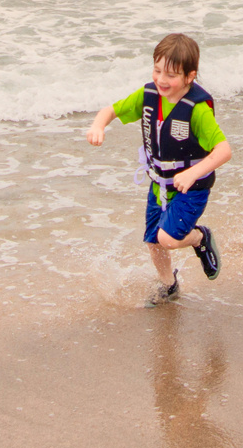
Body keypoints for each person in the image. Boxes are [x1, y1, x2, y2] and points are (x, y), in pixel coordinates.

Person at [87, 32, 230, 303]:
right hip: (159, 185)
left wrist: (191, 173)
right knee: (153, 241)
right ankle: (169, 285)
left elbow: (224, 151)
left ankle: (200, 238)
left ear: (190, 76)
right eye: (157, 70)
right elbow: (111, 110)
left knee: (167, 238)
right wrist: (98, 125)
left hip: (192, 187)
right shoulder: (149, 95)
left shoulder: (197, 110)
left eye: (171, 75)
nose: (162, 80)